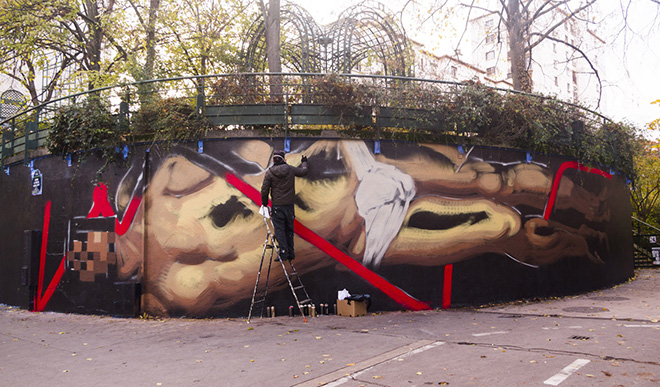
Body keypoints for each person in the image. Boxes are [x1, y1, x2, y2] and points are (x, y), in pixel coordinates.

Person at [260, 150, 308, 261]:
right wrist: (304, 162)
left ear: (273, 160)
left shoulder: (270, 173)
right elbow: (303, 172)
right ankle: (291, 253)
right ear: (283, 159)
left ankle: (283, 252)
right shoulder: (291, 170)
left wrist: (265, 204)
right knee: (289, 229)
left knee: (279, 230)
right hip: (289, 206)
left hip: (277, 207)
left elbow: (264, 190)